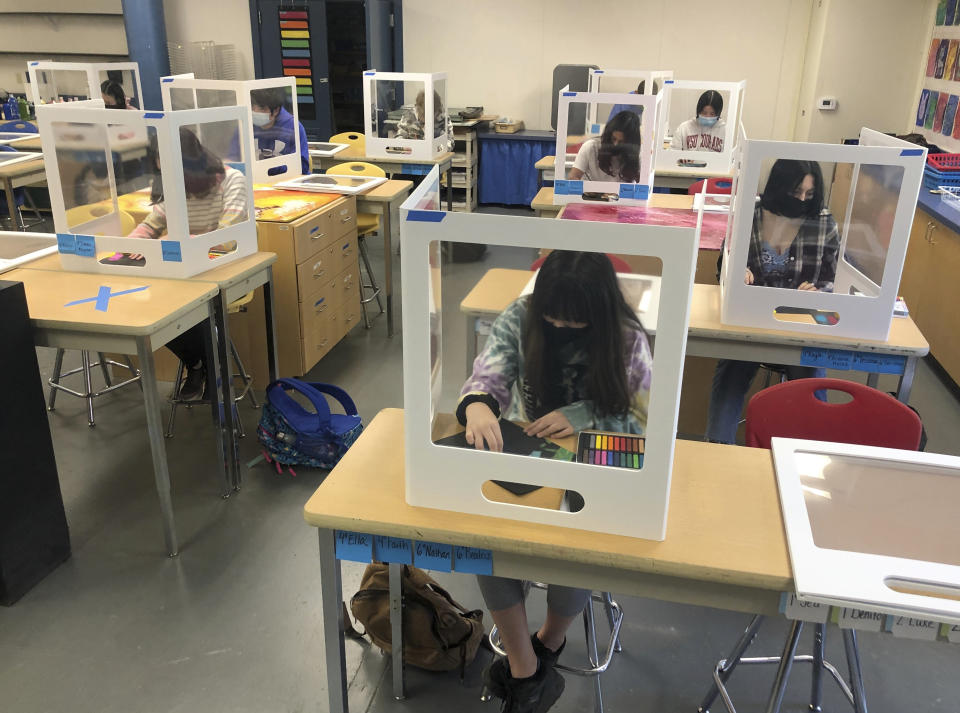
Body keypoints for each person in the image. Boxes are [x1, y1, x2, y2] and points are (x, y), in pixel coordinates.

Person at [457, 251, 653, 713]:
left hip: (598, 467)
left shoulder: (626, 339)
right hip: (533, 464)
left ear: (598, 311)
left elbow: (645, 420)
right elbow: (490, 371)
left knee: (575, 549)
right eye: (553, 318)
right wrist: (479, 404)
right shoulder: (520, 317)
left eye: (575, 323)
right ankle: (527, 670)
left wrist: (582, 415)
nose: (562, 329)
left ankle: (547, 642)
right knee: (485, 542)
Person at [705, 159, 839, 444]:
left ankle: (813, 454)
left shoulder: (824, 223)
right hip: (752, 321)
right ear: (778, 188)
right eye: (796, 192)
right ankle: (716, 449)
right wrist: (735, 271)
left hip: (800, 324)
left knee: (813, 382)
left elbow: (833, 280)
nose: (802, 200)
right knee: (730, 374)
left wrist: (818, 292)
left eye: (809, 194)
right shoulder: (748, 216)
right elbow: (723, 267)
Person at [127, 127, 249, 400]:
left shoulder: (232, 181)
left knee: (183, 305)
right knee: (151, 309)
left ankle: (209, 365)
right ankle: (200, 363)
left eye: (168, 164)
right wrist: (132, 246)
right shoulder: (177, 184)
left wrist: (181, 241)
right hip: (186, 268)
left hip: (224, 266)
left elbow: (225, 239)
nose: (163, 172)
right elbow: (152, 223)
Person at [567, 110, 642, 183]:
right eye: (613, 139)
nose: (615, 144)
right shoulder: (591, 147)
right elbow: (573, 177)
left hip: (621, 195)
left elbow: (642, 185)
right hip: (591, 194)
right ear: (609, 134)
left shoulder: (637, 155)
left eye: (621, 142)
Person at [249, 87, 310, 175]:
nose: (255, 112)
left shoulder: (293, 127)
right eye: (252, 107)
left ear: (276, 110)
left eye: (261, 109)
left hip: (287, 181)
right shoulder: (245, 125)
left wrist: (266, 169)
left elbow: (302, 166)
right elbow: (233, 158)